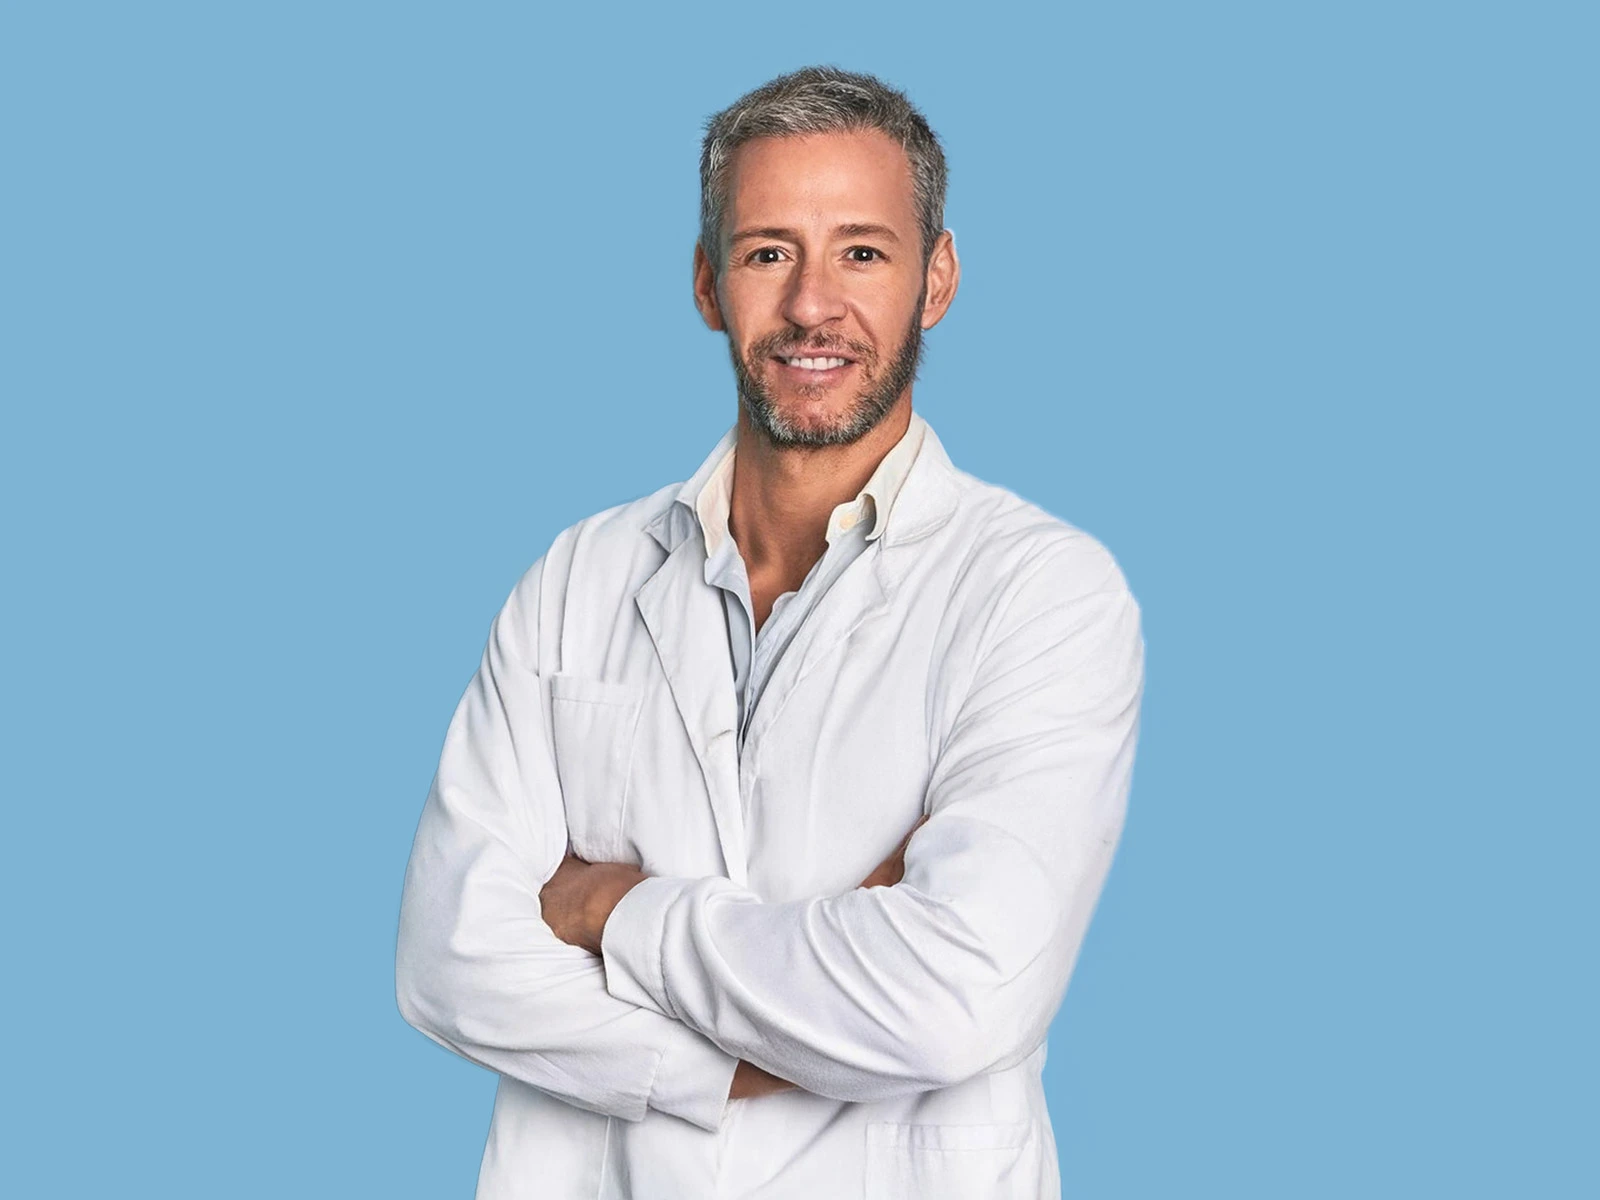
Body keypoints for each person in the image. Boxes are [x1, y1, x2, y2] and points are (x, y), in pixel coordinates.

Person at [396, 65, 1144, 1200]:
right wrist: (762, 1045)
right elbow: (447, 962)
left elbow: (952, 998)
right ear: (708, 282)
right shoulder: (576, 579)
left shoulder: (1041, 595)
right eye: (766, 253)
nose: (809, 306)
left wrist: (610, 909)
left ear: (937, 278)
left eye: (862, 251)